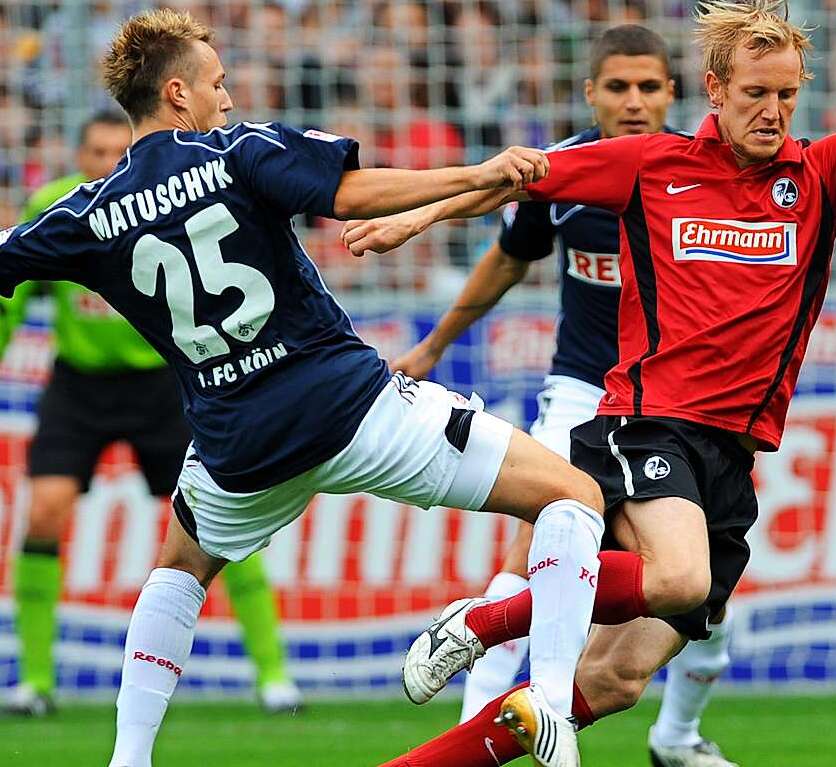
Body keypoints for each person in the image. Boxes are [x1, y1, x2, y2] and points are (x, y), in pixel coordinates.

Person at [343, 1, 836, 765]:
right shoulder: (653, 163)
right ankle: (482, 623)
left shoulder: (821, 178)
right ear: (714, 89)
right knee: (678, 579)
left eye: (786, 95)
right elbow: (520, 181)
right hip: (646, 423)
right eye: (754, 95)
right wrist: (415, 219)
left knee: (614, 678)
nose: (772, 112)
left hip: (729, 462)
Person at [0, 10, 608, 767]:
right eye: (218, 83)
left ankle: (129, 758)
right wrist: (477, 174)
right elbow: (348, 195)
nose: (228, 97)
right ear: (179, 92)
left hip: (238, 448)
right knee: (573, 497)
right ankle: (548, 701)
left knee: (182, 568)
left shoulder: (85, 210)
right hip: (350, 409)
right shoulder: (237, 151)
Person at [392, 24, 738, 767]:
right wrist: (432, 346)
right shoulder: (568, 173)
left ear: (672, 94)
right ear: (592, 94)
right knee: (536, 541)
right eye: (618, 87)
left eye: (649, 87)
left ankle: (677, 737)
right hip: (584, 392)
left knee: (703, 596)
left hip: (674, 406)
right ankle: (475, 707)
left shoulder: (695, 174)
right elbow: (507, 258)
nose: (635, 101)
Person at [3, 110, 301, 717]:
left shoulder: (154, 202)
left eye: (118, 150)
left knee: (216, 525)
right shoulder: (57, 207)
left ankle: (274, 676)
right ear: (79, 156)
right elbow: (13, 293)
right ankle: (36, 682)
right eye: (95, 150)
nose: (107, 161)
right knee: (44, 514)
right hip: (79, 387)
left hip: (163, 386)